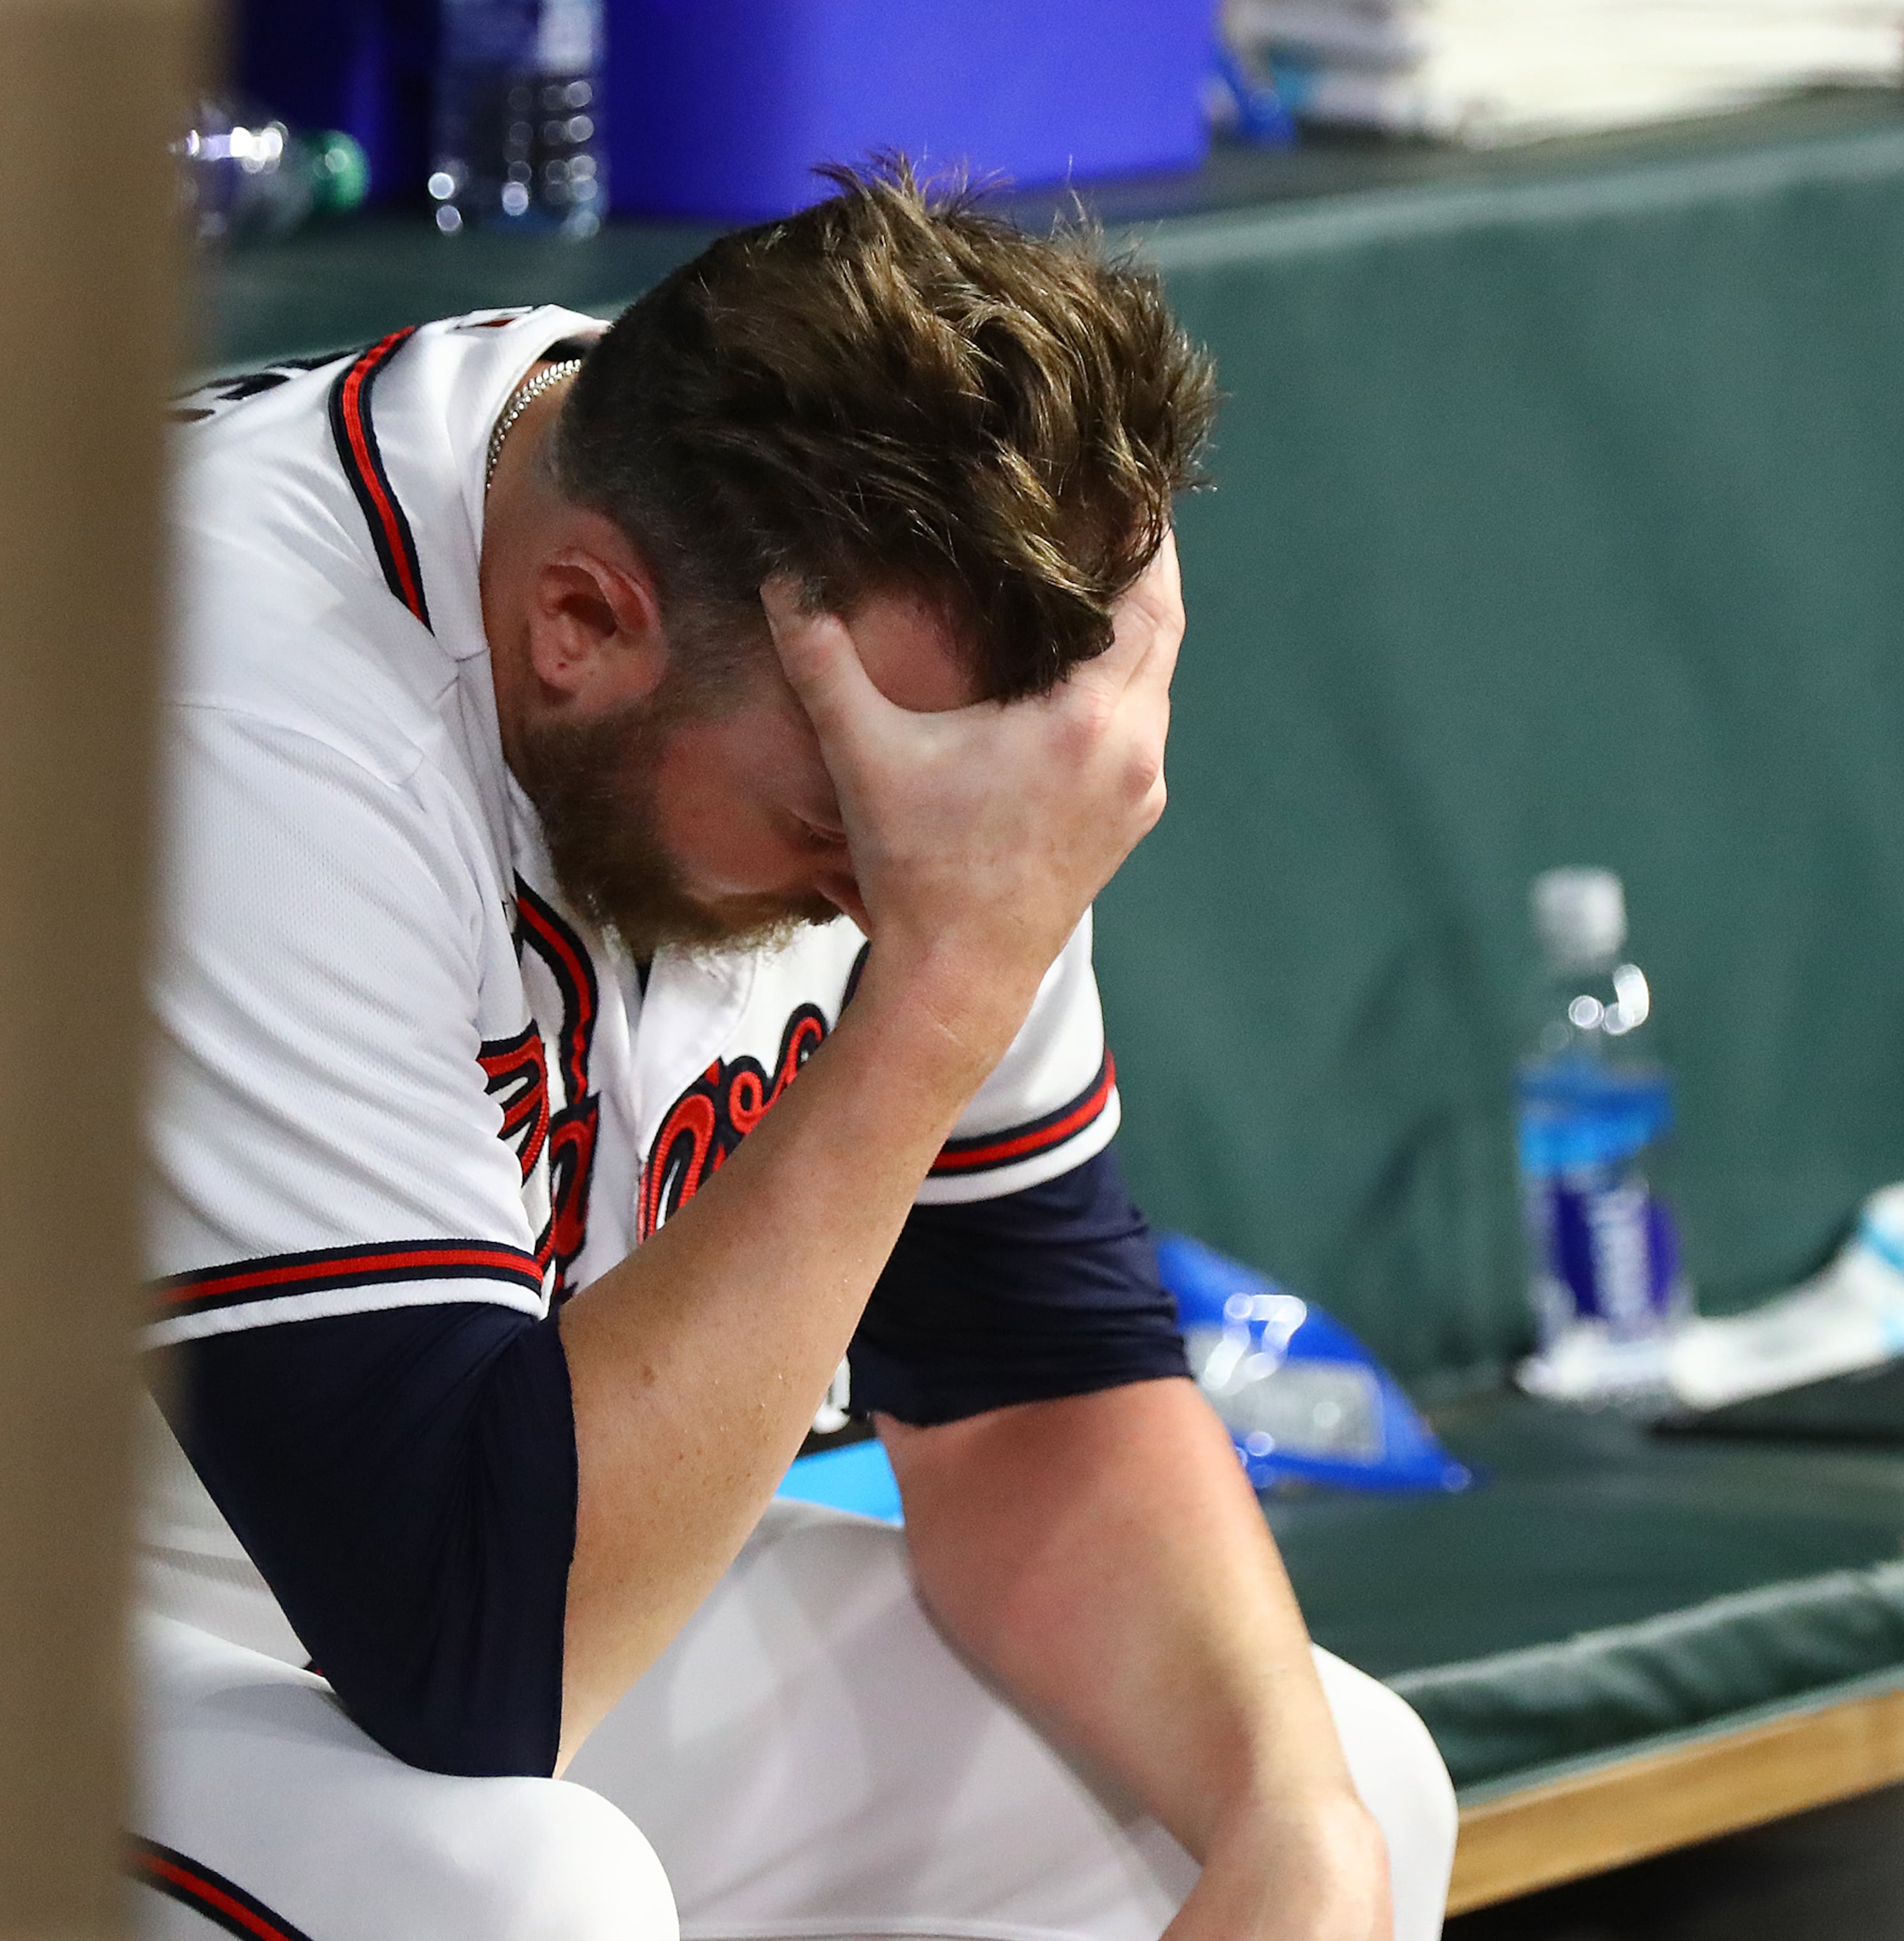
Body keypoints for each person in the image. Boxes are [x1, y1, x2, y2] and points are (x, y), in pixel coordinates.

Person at [134, 167, 1457, 1941]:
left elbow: (1028, 1383)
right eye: (845, 827)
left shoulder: (835, 616)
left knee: (1335, 1793)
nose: (901, 882)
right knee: (519, 1900)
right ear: (579, 625)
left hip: (429, 1577)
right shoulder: (233, 701)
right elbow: (472, 1663)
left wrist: (1291, 1831)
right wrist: (939, 987)